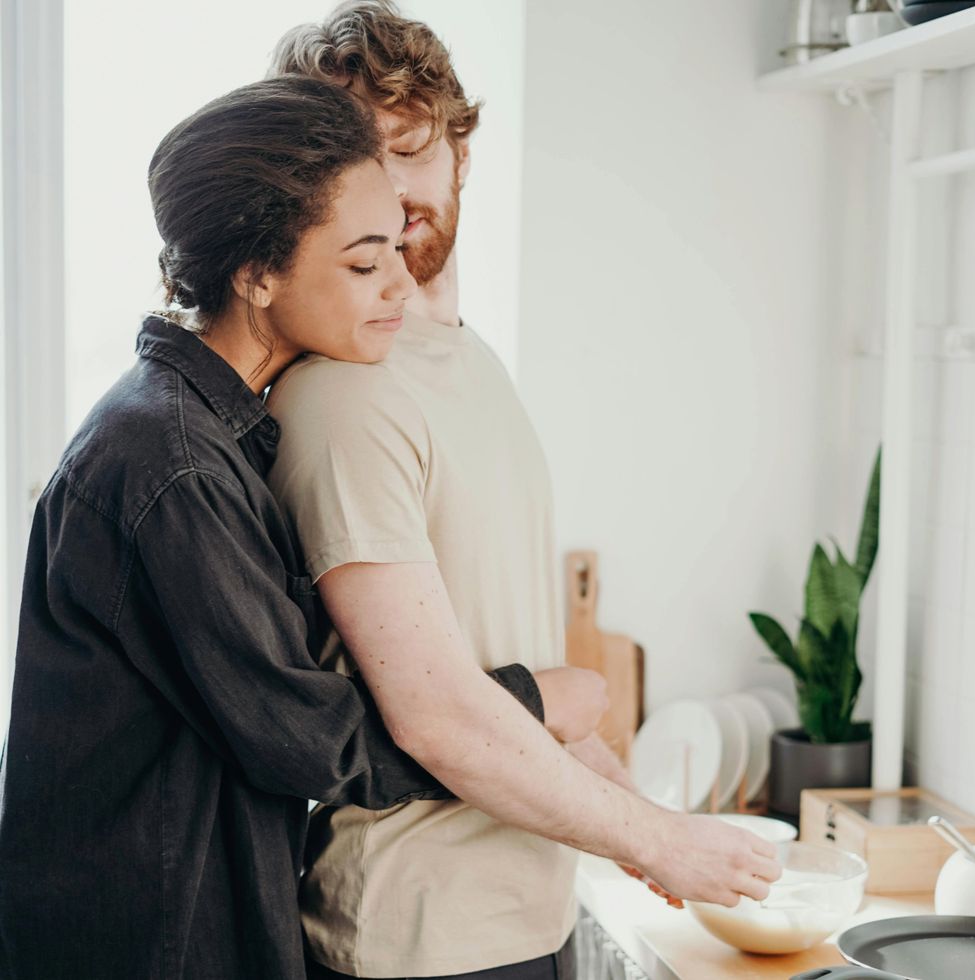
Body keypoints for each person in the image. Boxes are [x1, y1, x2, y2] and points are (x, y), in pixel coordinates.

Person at [0, 75, 571, 980]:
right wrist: (536, 704)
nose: (397, 282)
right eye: (361, 261)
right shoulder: (169, 465)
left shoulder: (203, 431)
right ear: (257, 273)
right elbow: (311, 740)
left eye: (396, 247)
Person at [266, 6, 780, 980]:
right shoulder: (343, 392)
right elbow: (438, 716)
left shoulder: (467, 363)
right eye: (350, 158)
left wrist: (652, 824)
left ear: (462, 149)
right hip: (414, 938)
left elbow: (513, 675)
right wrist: (650, 840)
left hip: (519, 920)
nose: (389, 188)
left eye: (409, 147)